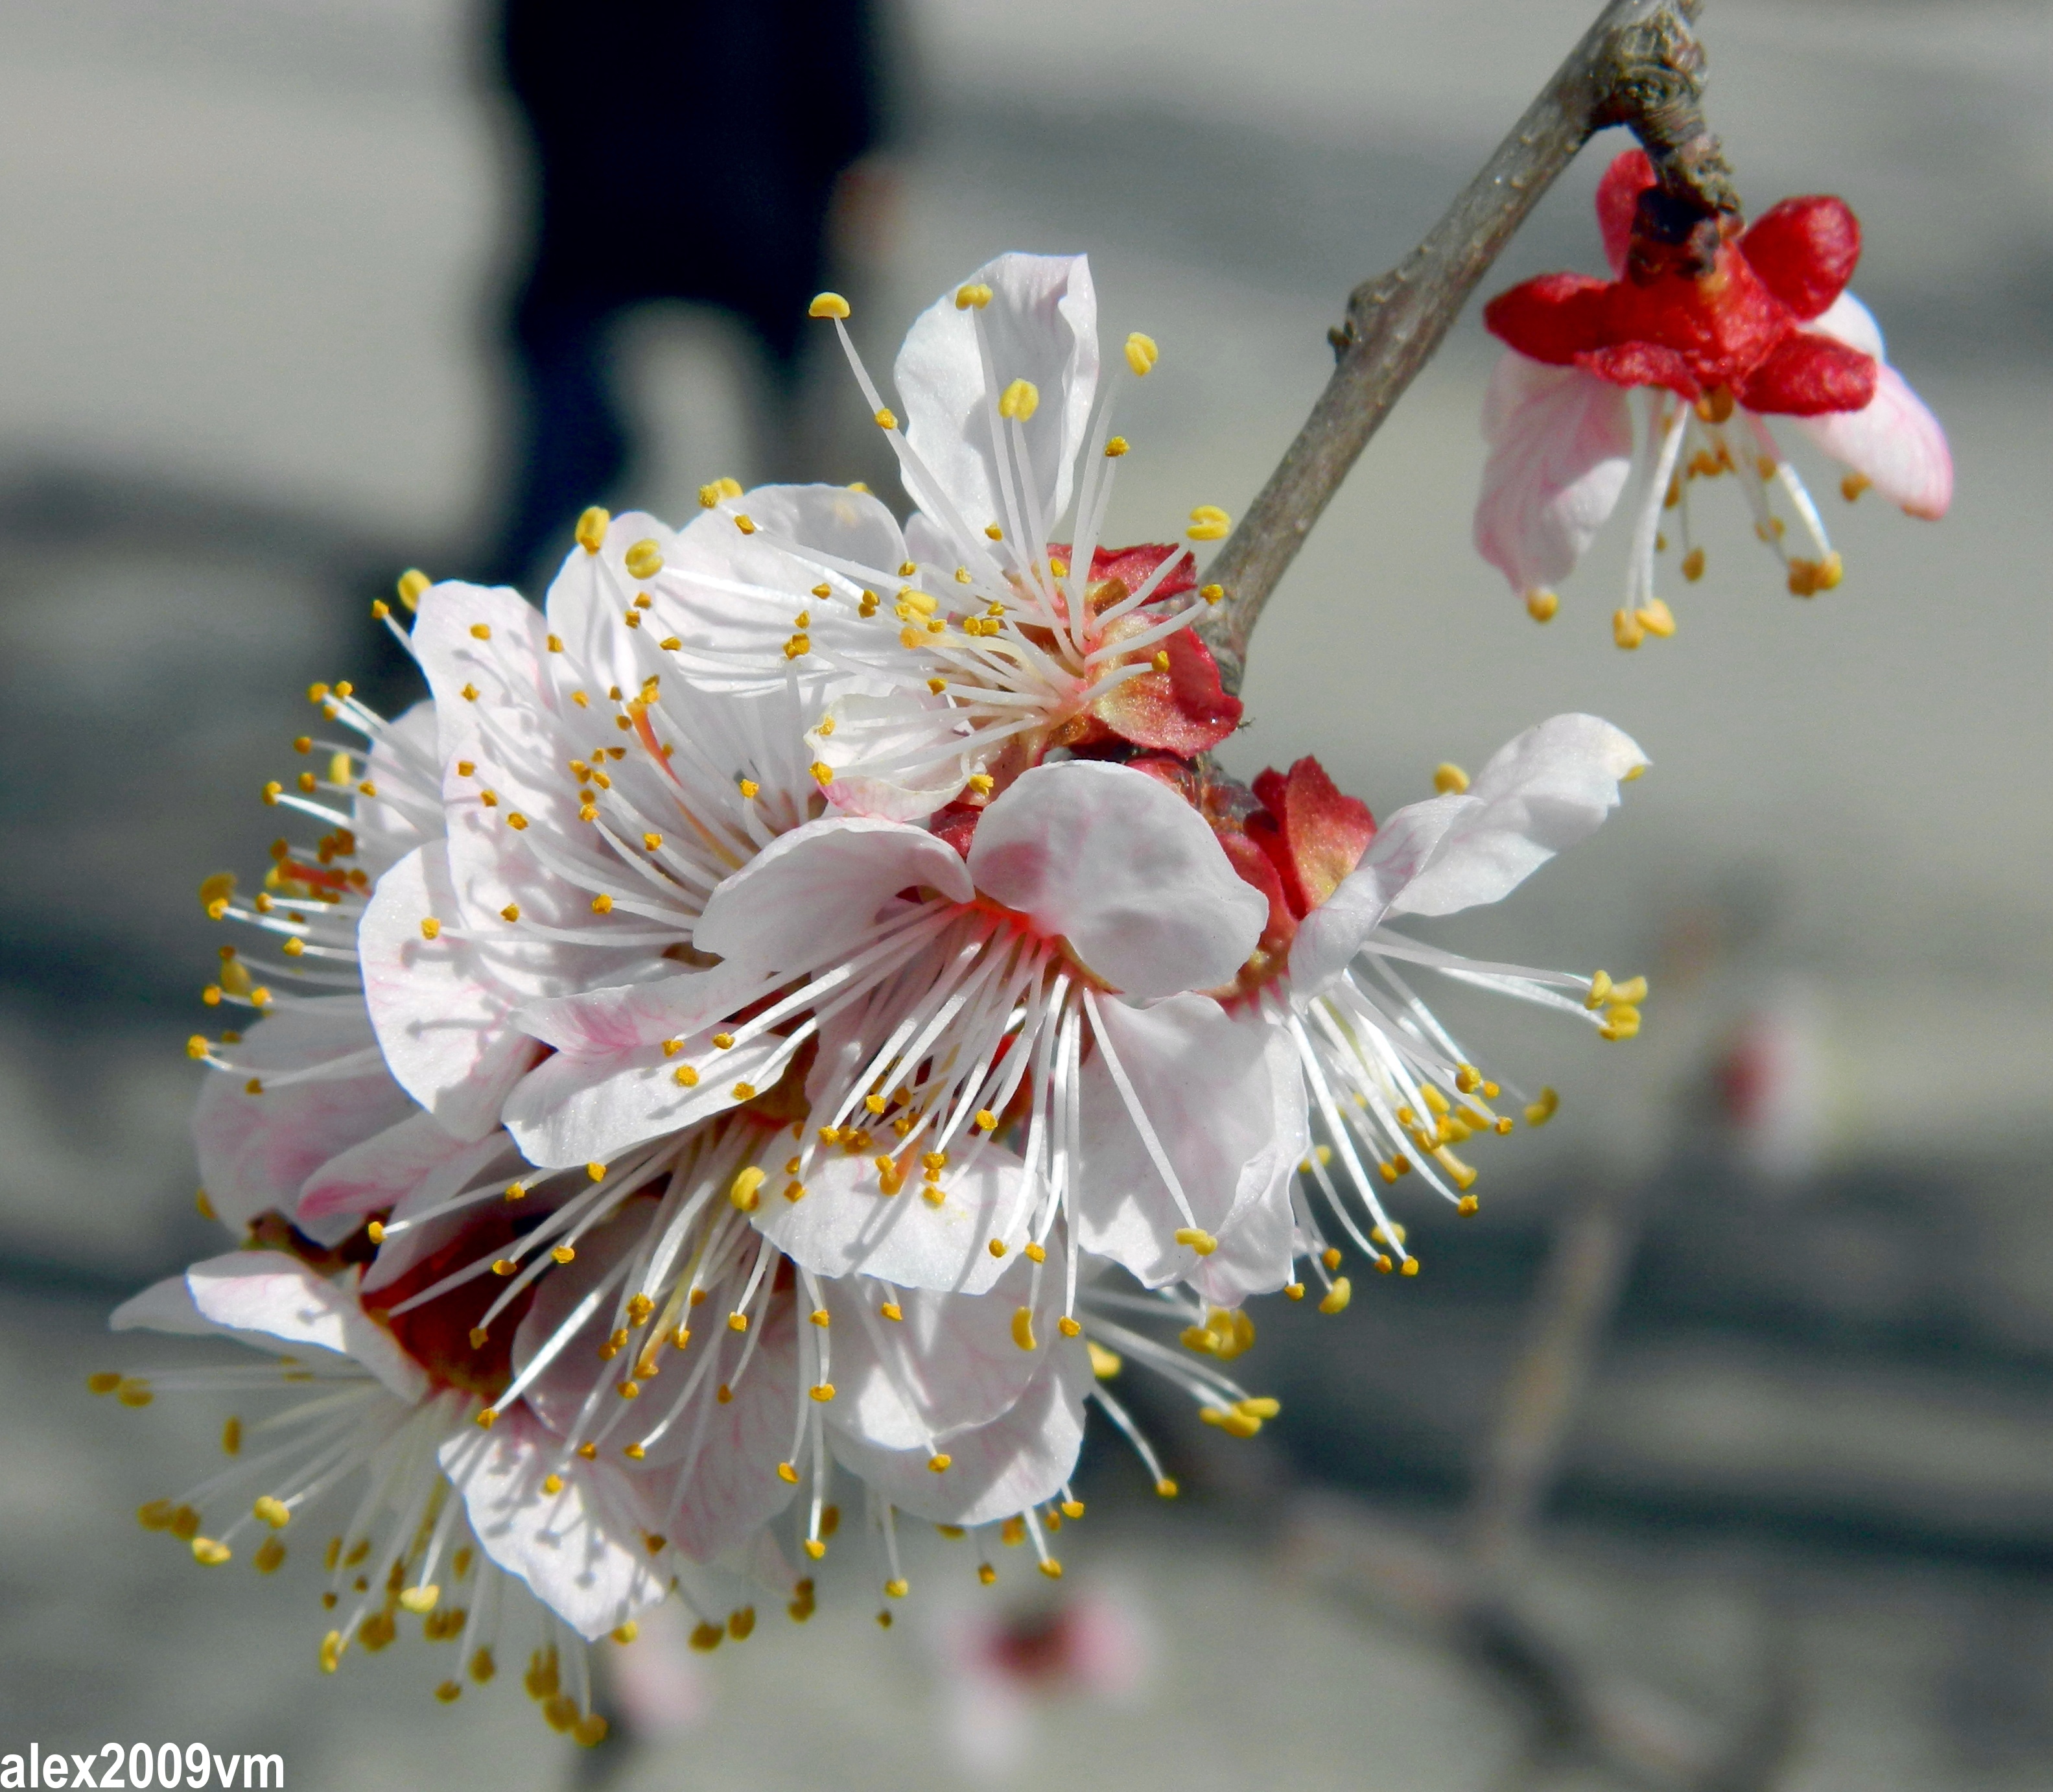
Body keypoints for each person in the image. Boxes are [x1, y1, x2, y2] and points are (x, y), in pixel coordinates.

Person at [486, 0, 891, 585]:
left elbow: (845, 66)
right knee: (567, 459)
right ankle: (509, 608)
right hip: (682, 210)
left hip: (687, 207)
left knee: (797, 475)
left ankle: (514, 592)